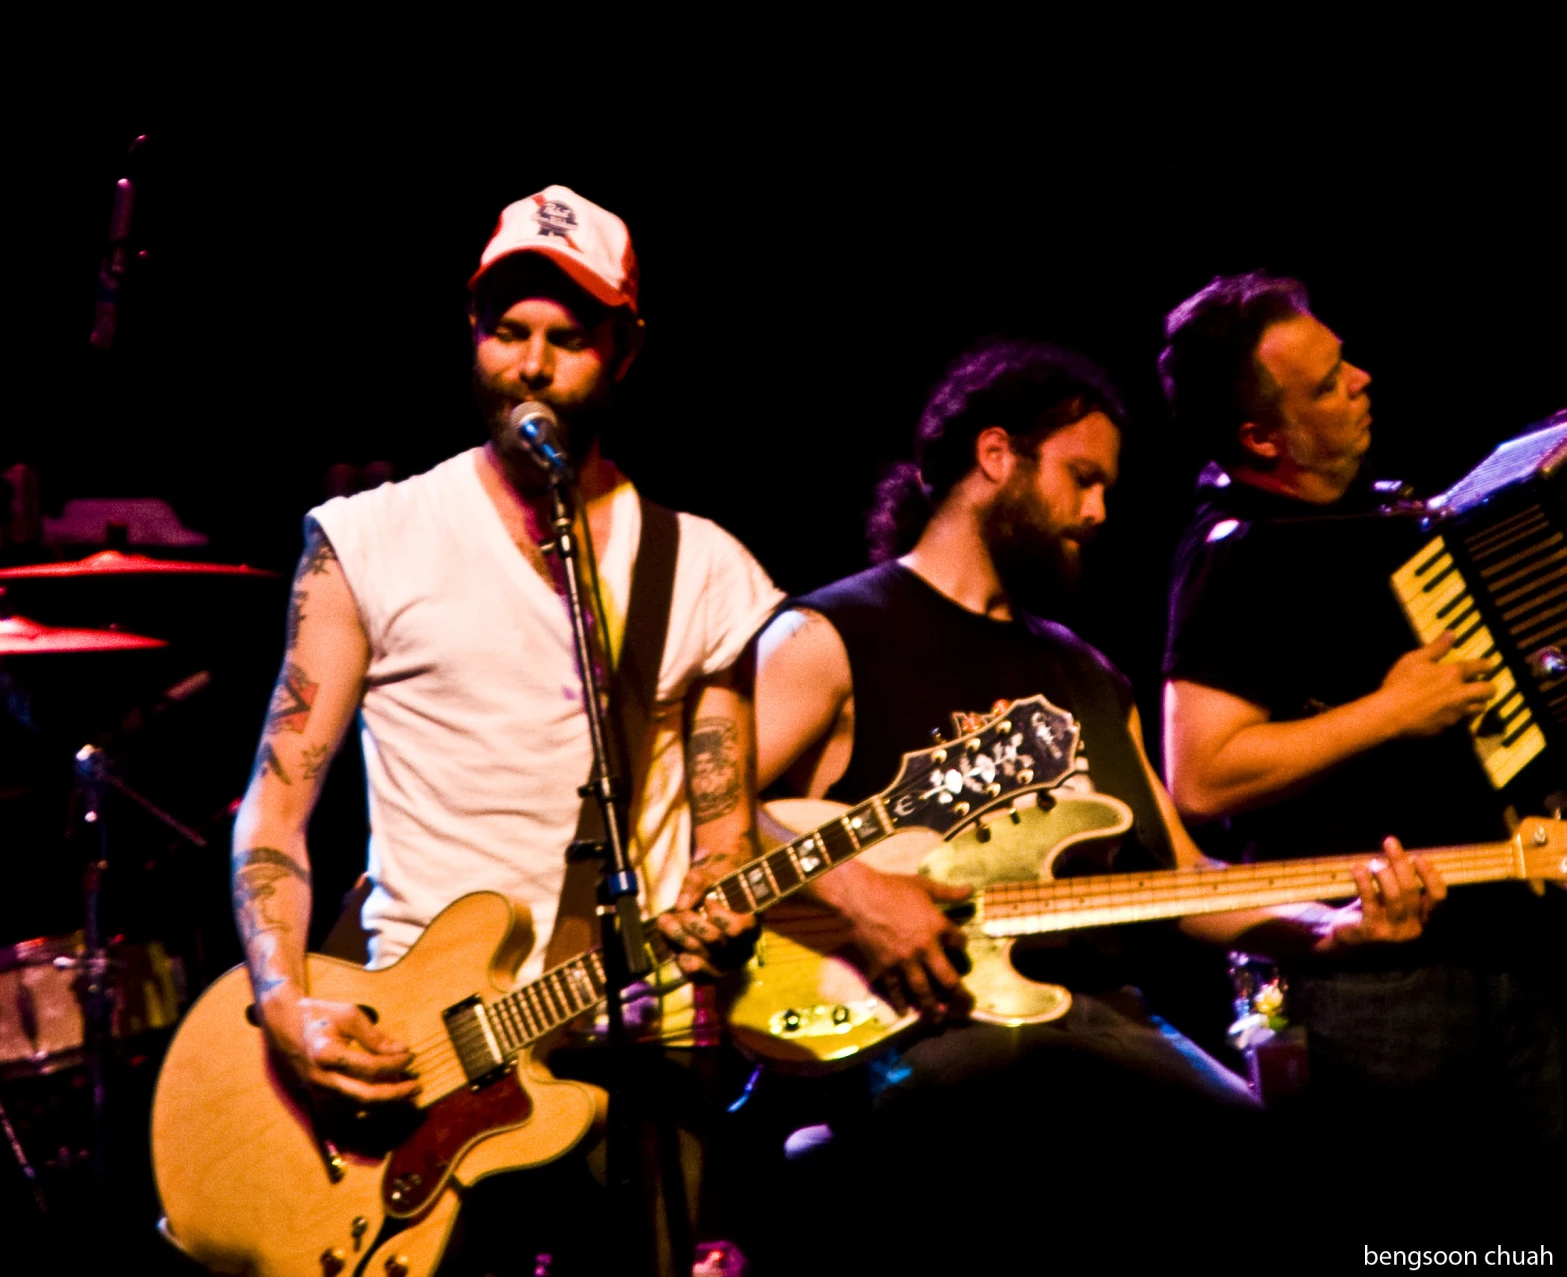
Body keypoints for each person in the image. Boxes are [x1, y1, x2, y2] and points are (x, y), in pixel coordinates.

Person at [749, 340, 1438, 1270]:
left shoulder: (1086, 671)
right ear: (995, 456)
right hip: (926, 1020)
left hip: (1093, 1016)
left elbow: (1184, 882)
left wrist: (1331, 931)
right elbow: (706, 819)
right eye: (1080, 478)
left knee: (1282, 1170)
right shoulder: (834, 633)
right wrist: (863, 894)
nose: (1099, 511)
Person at [226, 185, 784, 1274]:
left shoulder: (706, 570)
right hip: (416, 1064)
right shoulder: (369, 542)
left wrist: (724, 896)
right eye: (505, 331)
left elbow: (726, 833)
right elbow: (276, 809)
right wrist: (286, 1001)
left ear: (624, 352)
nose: (530, 365)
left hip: (637, 1062)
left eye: (566, 339)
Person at [1158, 272, 1565, 1224]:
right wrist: (1390, 711)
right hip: (1369, 980)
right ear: (1261, 437)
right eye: (1328, 380)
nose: (1363, 379)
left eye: (1343, 360)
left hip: (1512, 939)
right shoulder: (1237, 552)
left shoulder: (1390, 520)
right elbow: (1202, 773)